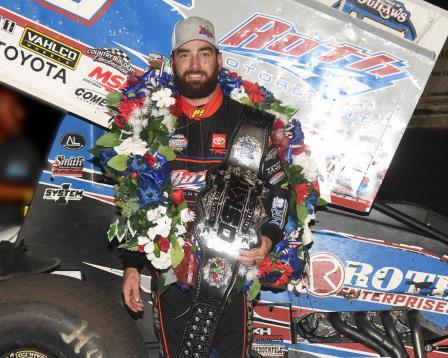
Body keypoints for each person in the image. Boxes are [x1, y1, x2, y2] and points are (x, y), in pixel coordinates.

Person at [121, 17, 288, 357]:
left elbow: (281, 191)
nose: (195, 64)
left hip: (235, 271)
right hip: (172, 273)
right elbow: (134, 197)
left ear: (219, 60)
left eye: (204, 54)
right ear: (173, 63)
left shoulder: (249, 124)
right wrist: (130, 267)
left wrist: (268, 237)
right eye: (185, 55)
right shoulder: (152, 125)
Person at [0, 85, 60, 279]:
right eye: (12, 108)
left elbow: (44, 175)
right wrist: (27, 192)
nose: (21, 114)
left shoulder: (21, 148)